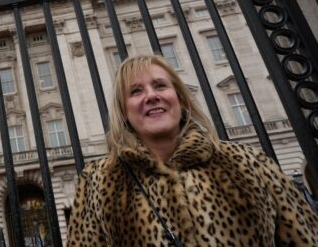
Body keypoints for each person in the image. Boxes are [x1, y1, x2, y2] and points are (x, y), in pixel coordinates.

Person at [68, 54, 318, 246]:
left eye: (160, 86)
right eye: (136, 91)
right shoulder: (98, 180)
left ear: (180, 98)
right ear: (123, 111)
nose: (151, 96)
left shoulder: (250, 161)